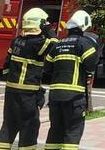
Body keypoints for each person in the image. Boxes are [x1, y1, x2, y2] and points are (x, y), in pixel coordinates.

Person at [0, 7, 58, 150]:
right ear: (39, 24)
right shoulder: (39, 43)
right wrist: (48, 29)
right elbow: (55, 43)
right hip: (27, 94)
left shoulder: (16, 41)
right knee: (29, 126)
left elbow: (6, 66)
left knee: (9, 125)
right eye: (45, 22)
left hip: (11, 91)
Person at [44, 10, 99, 150]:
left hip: (55, 96)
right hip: (74, 97)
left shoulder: (57, 45)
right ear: (84, 26)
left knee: (55, 130)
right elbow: (91, 65)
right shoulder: (84, 44)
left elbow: (47, 68)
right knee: (73, 131)